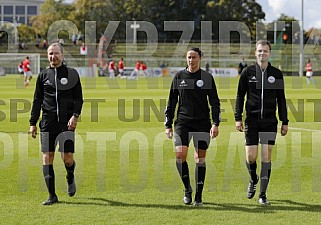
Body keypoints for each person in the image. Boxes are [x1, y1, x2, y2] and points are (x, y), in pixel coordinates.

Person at [234, 40, 289, 205]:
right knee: (251, 157)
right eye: (259, 51)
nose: (262, 54)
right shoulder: (247, 72)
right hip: (251, 120)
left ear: (269, 53)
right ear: (255, 53)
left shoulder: (276, 73)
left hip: (270, 121)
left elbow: (281, 99)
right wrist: (238, 117)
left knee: (266, 156)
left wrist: (284, 121)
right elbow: (239, 96)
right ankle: (253, 178)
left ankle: (263, 195)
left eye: (265, 51)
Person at [164, 47, 221, 206]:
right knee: (180, 155)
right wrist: (168, 125)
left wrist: (215, 123)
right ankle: (187, 189)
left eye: (194, 57)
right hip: (183, 122)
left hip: (202, 123)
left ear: (200, 58)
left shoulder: (207, 77)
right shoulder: (179, 77)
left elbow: (215, 102)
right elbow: (171, 102)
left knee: (199, 158)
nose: (191, 60)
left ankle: (199, 196)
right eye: (189, 57)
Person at [29, 43, 84, 205]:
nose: (53, 56)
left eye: (56, 53)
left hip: (66, 124)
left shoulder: (72, 74)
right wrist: (33, 123)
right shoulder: (43, 76)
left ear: (63, 55)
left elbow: (79, 99)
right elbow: (37, 100)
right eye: (51, 54)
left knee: (67, 158)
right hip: (47, 123)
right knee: (47, 157)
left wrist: (75, 116)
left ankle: (70, 175)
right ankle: (52, 196)